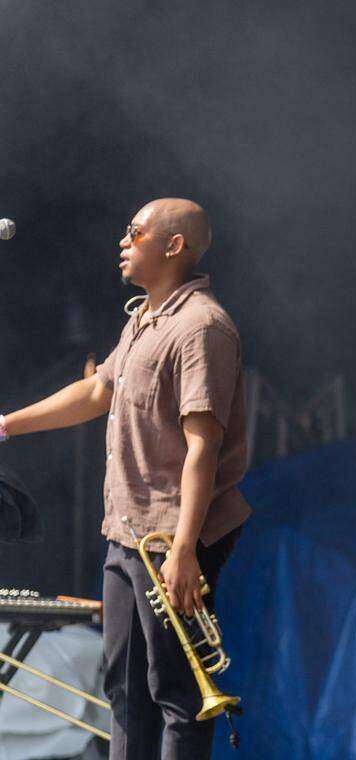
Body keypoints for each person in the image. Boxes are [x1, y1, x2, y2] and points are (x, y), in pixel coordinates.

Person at [0, 198, 250, 758]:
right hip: (127, 533)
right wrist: (4, 425)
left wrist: (184, 549)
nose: (122, 242)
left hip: (171, 536)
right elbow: (96, 392)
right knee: (124, 690)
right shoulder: (145, 317)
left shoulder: (201, 327)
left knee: (178, 695)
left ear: (173, 245)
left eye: (134, 233)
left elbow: (203, 446)